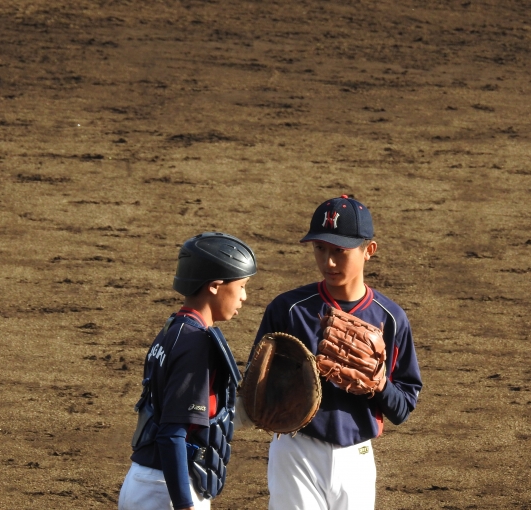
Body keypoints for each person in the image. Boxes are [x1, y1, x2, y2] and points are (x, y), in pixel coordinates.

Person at [247, 195, 422, 510]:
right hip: (296, 450)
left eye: (340, 251)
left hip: (357, 457)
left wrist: (379, 384)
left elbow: (403, 408)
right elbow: (254, 384)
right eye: (320, 248)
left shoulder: (391, 318)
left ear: (369, 250)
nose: (328, 262)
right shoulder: (288, 310)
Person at [119, 232, 257, 510]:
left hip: (148, 482)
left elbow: (194, 417)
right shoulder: (197, 344)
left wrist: (251, 413)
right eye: (241, 286)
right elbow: (173, 432)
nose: (244, 296)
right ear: (215, 286)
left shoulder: (172, 330)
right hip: (167, 490)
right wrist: (184, 503)